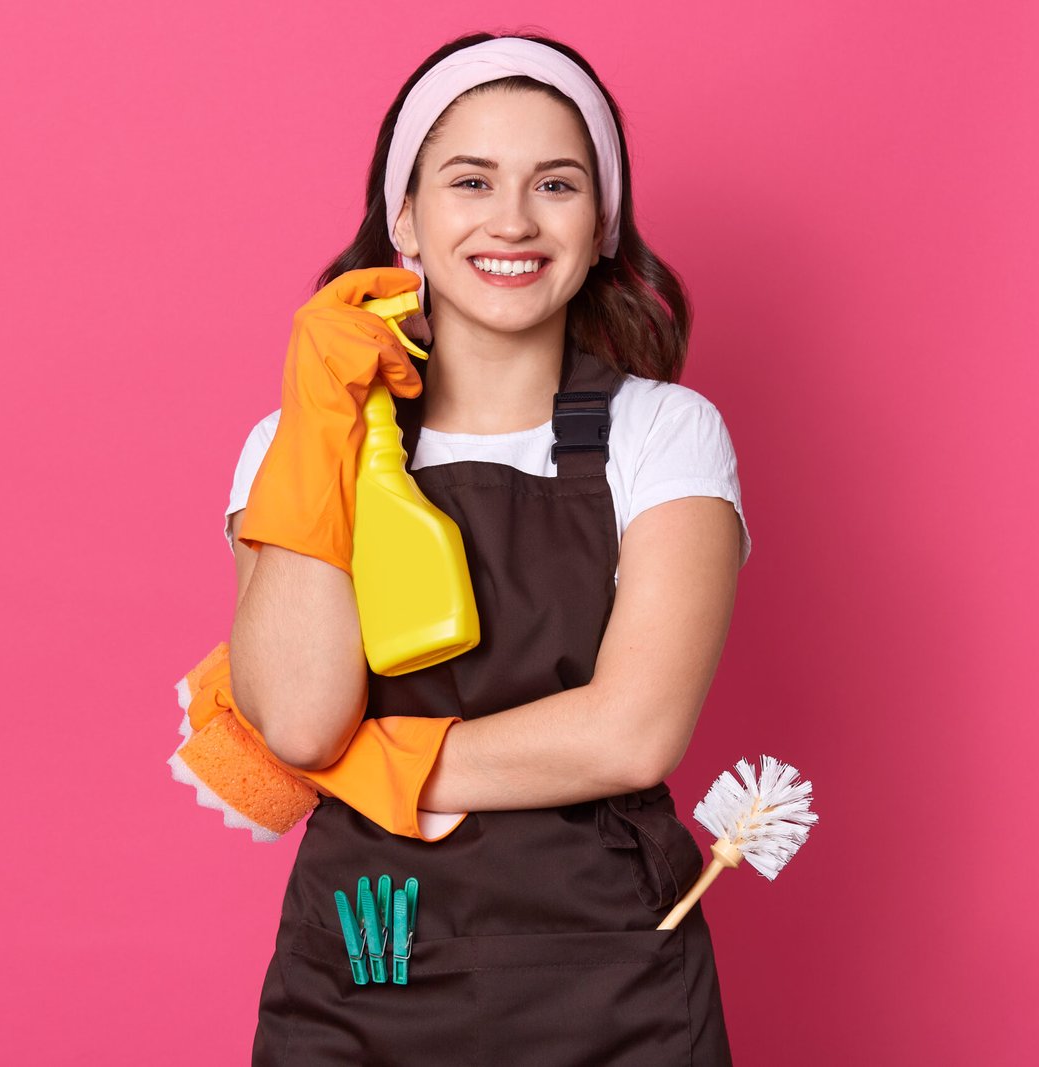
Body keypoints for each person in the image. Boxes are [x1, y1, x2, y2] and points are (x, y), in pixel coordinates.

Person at [222, 31, 751, 1065]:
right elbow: (295, 716)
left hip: (612, 986)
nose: (512, 220)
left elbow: (629, 733)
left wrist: (381, 764)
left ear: (600, 225)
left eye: (555, 183)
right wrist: (323, 415)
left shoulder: (666, 431)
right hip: (362, 975)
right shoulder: (291, 444)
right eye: (470, 180)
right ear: (405, 219)